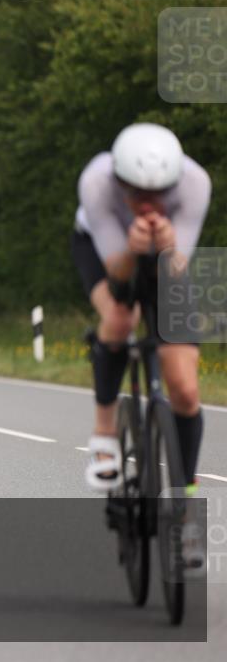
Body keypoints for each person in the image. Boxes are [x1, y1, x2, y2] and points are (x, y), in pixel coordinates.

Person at [72, 123, 211, 502]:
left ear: (175, 183)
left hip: (165, 258)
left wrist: (166, 248)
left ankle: (184, 497)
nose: (148, 203)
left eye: (159, 194)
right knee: (119, 319)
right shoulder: (96, 182)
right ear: (119, 181)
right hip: (104, 249)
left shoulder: (196, 183)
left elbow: (176, 269)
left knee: (183, 387)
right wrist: (133, 251)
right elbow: (118, 273)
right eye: (136, 193)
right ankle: (104, 434)